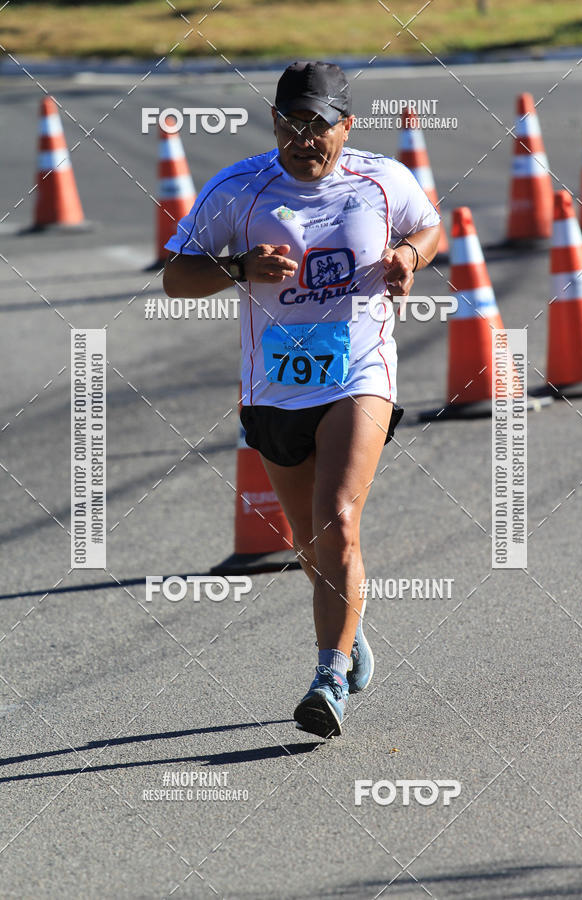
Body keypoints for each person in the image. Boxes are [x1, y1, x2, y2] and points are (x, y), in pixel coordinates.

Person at [163, 61, 441, 738]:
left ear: (346, 126)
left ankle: (328, 676)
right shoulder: (239, 189)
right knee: (311, 544)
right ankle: (348, 628)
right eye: (290, 122)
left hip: (359, 376)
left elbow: (429, 228)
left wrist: (408, 255)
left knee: (337, 521)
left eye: (317, 124)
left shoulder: (382, 180)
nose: (302, 137)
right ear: (275, 123)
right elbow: (176, 277)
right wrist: (236, 268)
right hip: (273, 390)